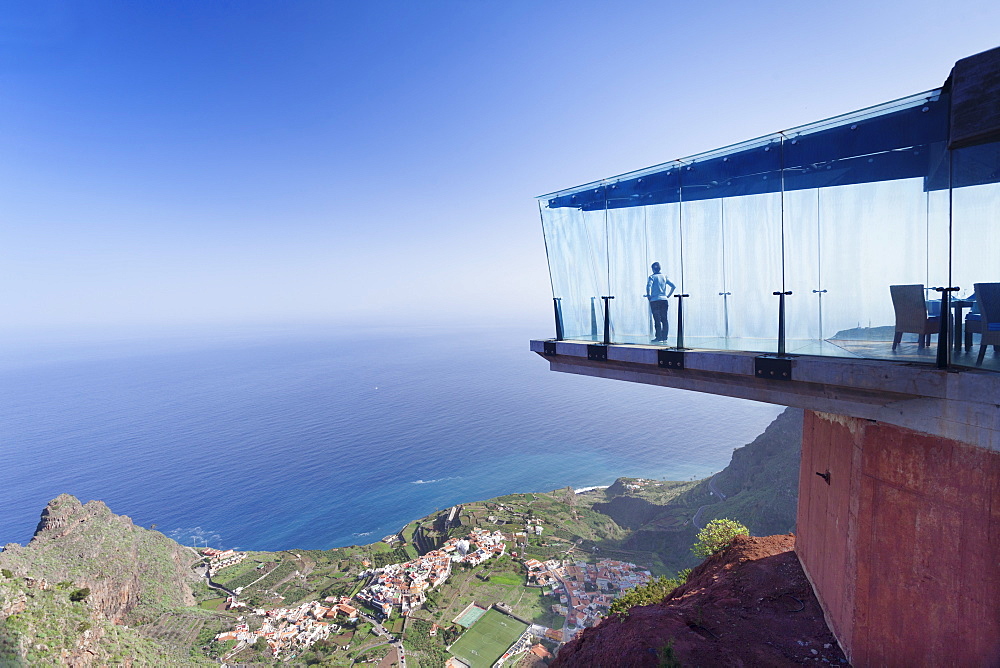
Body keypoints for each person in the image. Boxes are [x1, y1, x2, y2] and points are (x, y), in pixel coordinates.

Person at [645, 262, 676, 342]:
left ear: (652, 269)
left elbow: (648, 286)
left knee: (657, 319)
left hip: (655, 300)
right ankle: (665, 337)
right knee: (664, 319)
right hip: (664, 300)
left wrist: (648, 296)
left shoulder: (652, 277)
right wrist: (668, 295)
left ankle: (658, 337)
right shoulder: (664, 276)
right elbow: (673, 286)